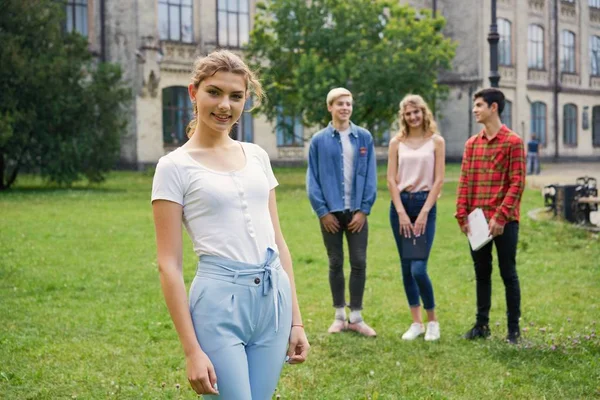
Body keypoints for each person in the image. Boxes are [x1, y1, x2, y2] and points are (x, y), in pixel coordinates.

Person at [151, 50, 309, 399]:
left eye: (236, 96)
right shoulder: (173, 167)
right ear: (194, 92)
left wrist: (296, 321)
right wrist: (192, 350)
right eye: (215, 92)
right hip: (219, 304)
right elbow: (169, 264)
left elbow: (279, 241)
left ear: (245, 100)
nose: (225, 105)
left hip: (273, 300)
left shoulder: (257, 156)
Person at [455, 88, 526, 344]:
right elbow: (464, 181)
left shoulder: (513, 142)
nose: (475, 109)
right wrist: (461, 214)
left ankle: (513, 331)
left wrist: (500, 217)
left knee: (508, 273)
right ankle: (481, 325)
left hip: (504, 221)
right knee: (482, 273)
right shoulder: (471, 144)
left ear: (493, 107)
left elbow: (517, 183)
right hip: (476, 220)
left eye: (479, 105)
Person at [306, 87, 378, 337]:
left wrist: (364, 210)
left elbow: (370, 175)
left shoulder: (364, 137)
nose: (345, 108)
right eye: (340, 104)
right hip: (331, 213)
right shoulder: (318, 140)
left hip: (357, 211)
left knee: (359, 262)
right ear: (330, 107)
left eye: (348, 104)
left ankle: (356, 317)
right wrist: (322, 212)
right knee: (335, 262)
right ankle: (339, 316)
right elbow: (312, 179)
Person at [386, 94, 445, 341]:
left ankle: (433, 322)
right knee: (406, 268)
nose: (412, 117)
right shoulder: (396, 143)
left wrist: (423, 213)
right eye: (408, 113)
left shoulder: (436, 142)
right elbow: (390, 178)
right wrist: (400, 211)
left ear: (424, 113)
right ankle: (416, 323)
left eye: (416, 112)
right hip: (400, 205)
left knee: (419, 268)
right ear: (404, 116)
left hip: (424, 204)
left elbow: (439, 179)